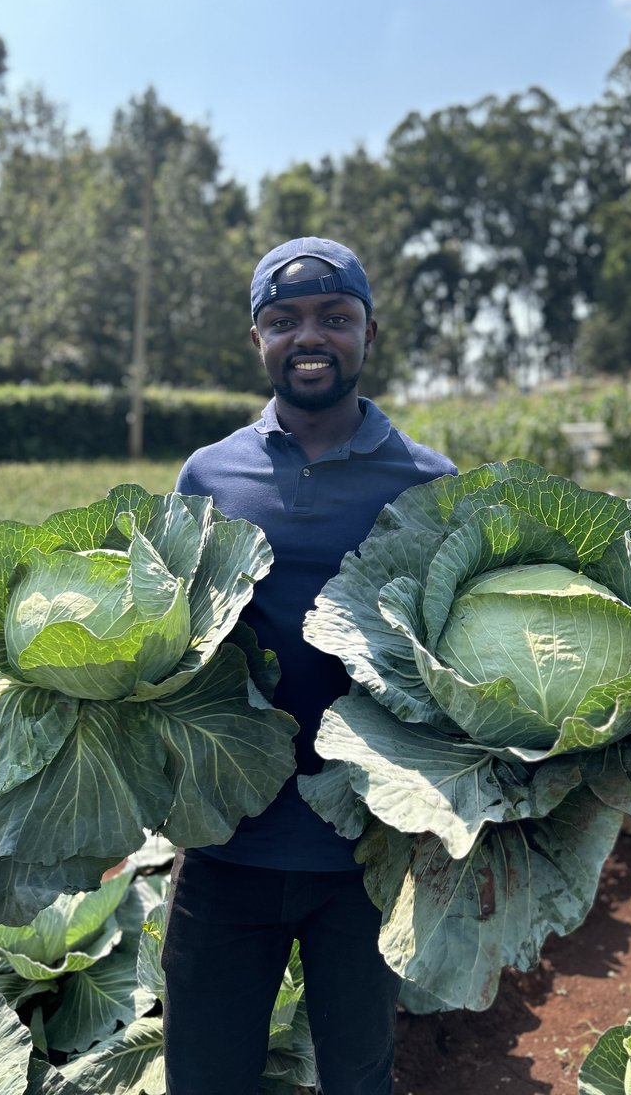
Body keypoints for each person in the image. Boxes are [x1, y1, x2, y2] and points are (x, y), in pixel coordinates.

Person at [161, 236, 457, 1095]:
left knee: (356, 1079)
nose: (310, 336)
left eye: (335, 316)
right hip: (225, 843)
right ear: (259, 339)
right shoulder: (209, 474)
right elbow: (170, 636)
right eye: (284, 320)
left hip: (367, 854)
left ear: (369, 332)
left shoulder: (430, 482)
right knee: (204, 1077)